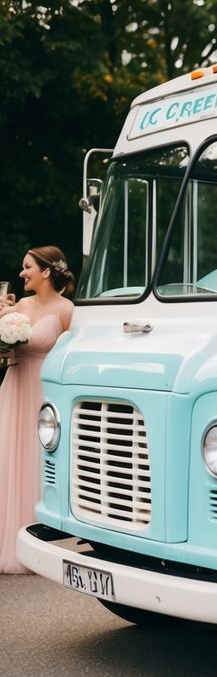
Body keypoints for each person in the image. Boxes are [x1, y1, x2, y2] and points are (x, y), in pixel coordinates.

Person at [0, 246, 74, 573]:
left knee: (37, 460)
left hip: (45, 395)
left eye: (27, 266)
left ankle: (42, 541)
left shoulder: (68, 310)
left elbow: (74, 357)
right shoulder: (18, 306)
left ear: (46, 271)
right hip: (15, 386)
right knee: (9, 457)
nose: (21, 272)